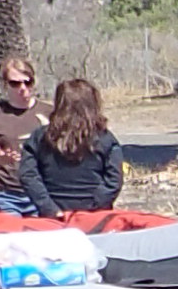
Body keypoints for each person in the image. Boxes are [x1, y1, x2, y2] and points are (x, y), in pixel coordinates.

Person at [22, 74, 125, 215]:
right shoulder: (106, 139)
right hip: (93, 217)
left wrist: (49, 208)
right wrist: (94, 206)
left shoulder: (39, 138)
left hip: (56, 218)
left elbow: (28, 175)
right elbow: (114, 181)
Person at [0, 54, 45, 213]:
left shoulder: (48, 113)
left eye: (28, 82)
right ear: (5, 85)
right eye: (15, 83)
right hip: (5, 194)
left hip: (40, 193)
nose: (23, 88)